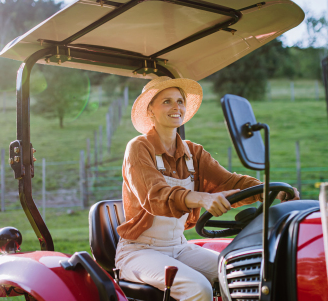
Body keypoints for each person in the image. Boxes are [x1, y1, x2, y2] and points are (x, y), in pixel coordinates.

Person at [115, 76, 299, 301]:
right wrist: (201, 198)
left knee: (243, 274)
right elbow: (155, 196)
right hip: (139, 251)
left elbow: (230, 183)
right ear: (150, 110)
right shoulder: (138, 148)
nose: (176, 107)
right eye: (167, 101)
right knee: (198, 287)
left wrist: (269, 190)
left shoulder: (194, 153)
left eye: (180, 101)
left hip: (179, 246)